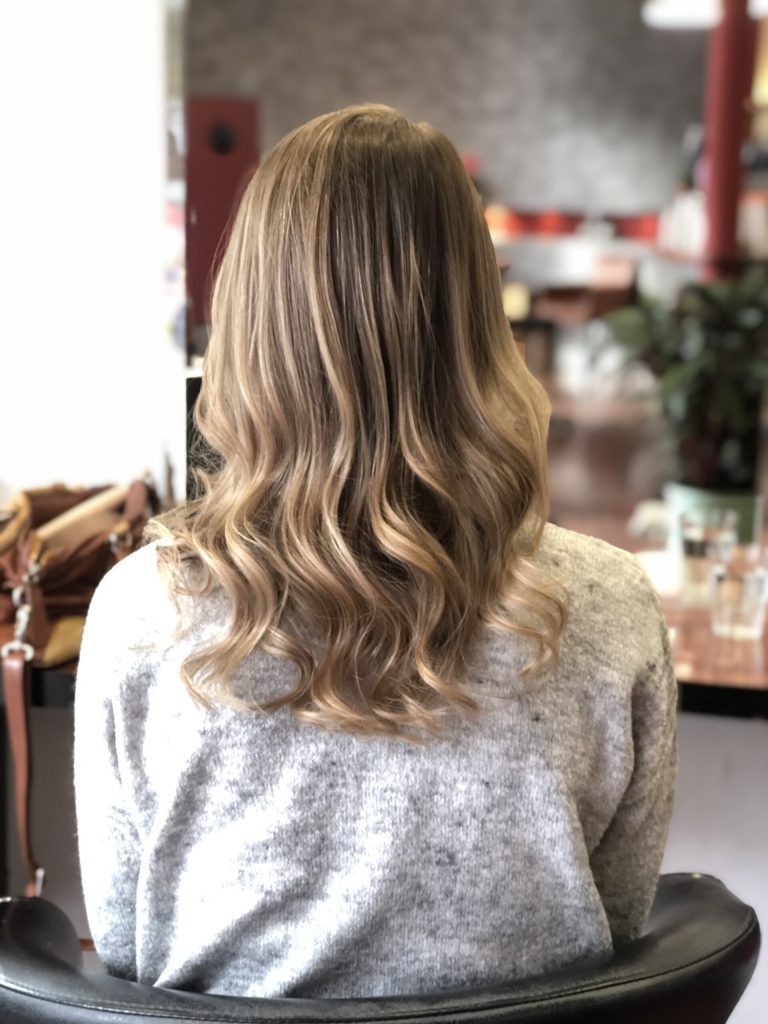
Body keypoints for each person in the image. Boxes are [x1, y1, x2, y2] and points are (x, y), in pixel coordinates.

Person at [74, 104, 676, 999]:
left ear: (248, 315)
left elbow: (128, 948)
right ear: (478, 314)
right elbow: (617, 926)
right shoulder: (611, 603)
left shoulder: (143, 611)